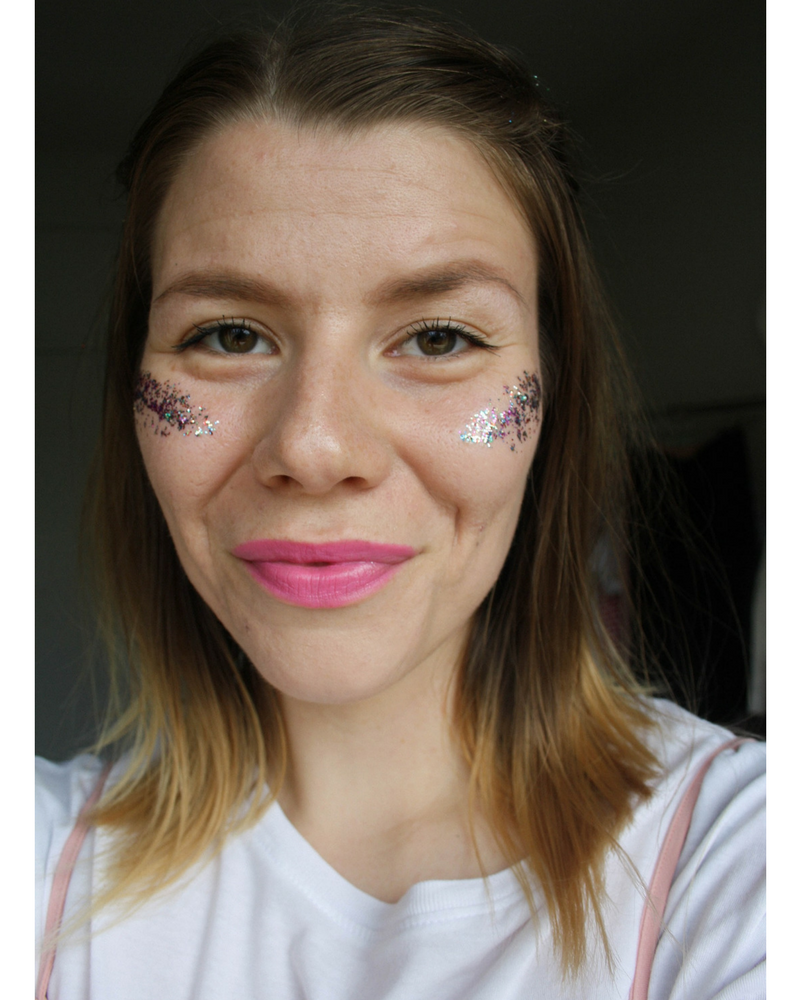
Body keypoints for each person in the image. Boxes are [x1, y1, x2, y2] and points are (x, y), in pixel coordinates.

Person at [35, 6, 765, 998]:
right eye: (230, 335)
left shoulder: (743, 864)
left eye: (437, 338)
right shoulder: (37, 872)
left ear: (552, 392)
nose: (314, 448)